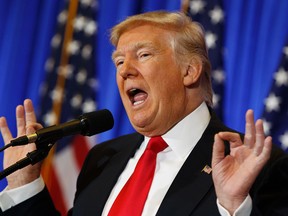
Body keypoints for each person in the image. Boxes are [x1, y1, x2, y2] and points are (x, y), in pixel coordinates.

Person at [0, 11, 287, 216]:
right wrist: (24, 185)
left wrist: (234, 208)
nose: (124, 70)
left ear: (190, 70)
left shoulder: (251, 164)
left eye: (144, 55)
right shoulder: (102, 160)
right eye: (119, 61)